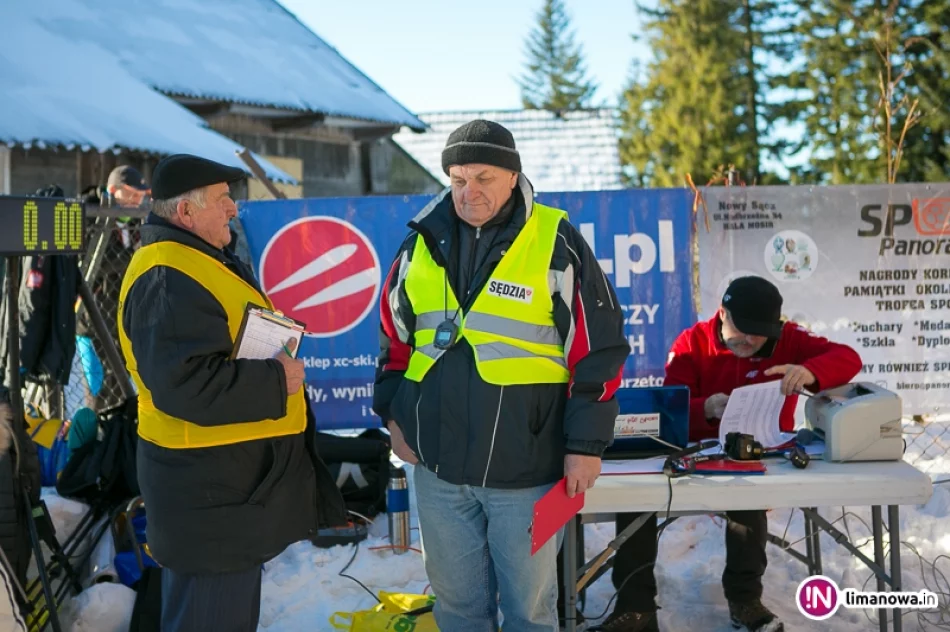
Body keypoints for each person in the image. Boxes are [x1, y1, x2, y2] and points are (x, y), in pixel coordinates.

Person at [373, 119, 630, 631]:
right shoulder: (419, 243)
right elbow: (393, 342)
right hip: (438, 469)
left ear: (513, 176)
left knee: (530, 612)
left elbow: (598, 348)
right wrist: (394, 419)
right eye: (458, 179)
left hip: (528, 471)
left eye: (483, 178)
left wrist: (585, 445)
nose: (469, 192)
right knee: (457, 609)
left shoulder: (555, 238)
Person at [117, 154, 347, 632]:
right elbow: (186, 387)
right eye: (223, 200)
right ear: (185, 212)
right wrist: (275, 381)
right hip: (209, 507)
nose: (234, 210)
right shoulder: (168, 276)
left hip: (221, 501)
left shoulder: (192, 262)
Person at [587, 276, 862, 632]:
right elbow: (672, 408)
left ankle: (745, 600)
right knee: (637, 501)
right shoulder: (692, 342)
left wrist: (810, 371)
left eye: (760, 334)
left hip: (758, 454)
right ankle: (636, 608)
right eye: (742, 330)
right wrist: (704, 408)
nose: (750, 340)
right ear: (721, 314)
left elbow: (848, 358)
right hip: (694, 451)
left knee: (747, 499)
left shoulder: (790, 338)